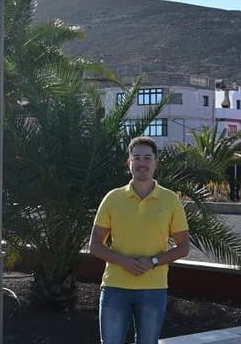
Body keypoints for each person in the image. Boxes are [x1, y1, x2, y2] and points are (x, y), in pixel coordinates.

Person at [90, 136, 191, 344]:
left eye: (147, 158)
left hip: (153, 289)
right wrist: (123, 261)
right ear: (129, 162)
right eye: (136, 158)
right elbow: (95, 245)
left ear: (156, 162)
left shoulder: (170, 200)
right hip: (114, 287)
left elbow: (183, 247)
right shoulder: (112, 198)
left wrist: (152, 262)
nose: (141, 163)